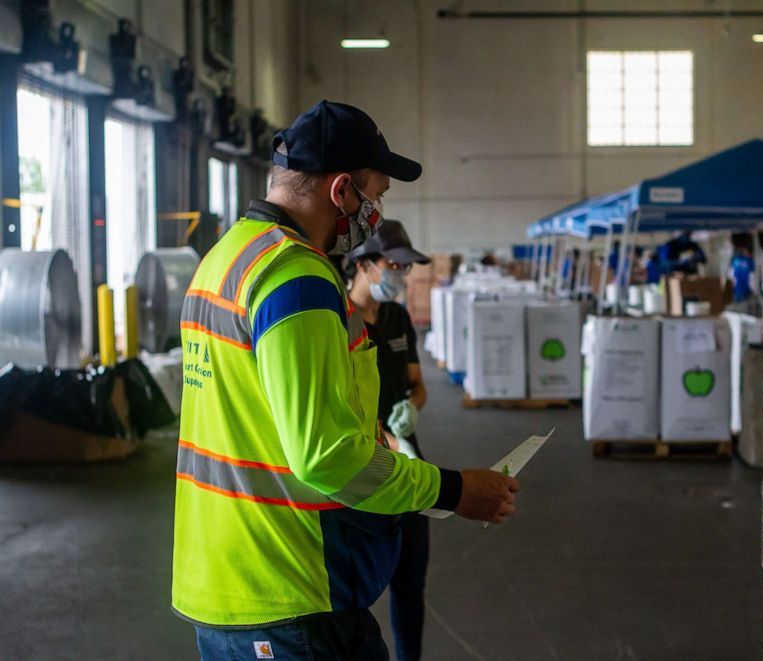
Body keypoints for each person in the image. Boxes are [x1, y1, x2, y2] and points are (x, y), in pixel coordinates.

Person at [172, 100, 519, 661]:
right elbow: (325, 457)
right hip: (289, 590)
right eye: (373, 197)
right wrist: (454, 491)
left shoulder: (225, 258)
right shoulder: (296, 277)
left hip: (223, 576)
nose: (373, 216)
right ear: (341, 192)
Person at [346, 221, 431, 661]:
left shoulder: (397, 317)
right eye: (393, 265)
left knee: (410, 580)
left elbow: (417, 385)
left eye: (406, 267)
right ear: (363, 264)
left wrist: (412, 406)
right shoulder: (338, 320)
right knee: (354, 582)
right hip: (364, 462)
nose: (401, 274)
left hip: (408, 454)